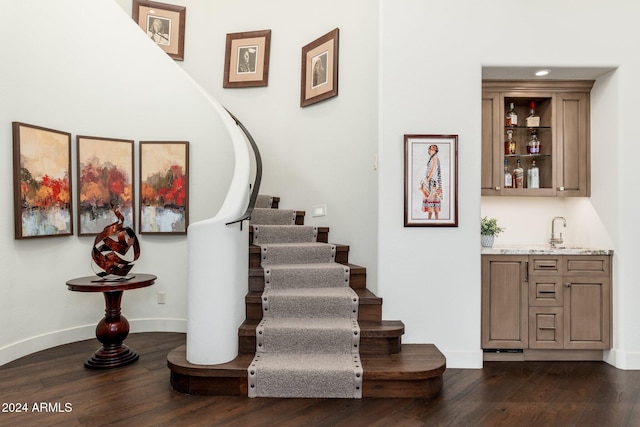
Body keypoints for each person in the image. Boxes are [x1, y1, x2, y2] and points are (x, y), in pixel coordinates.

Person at [418, 144, 443, 219]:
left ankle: (433, 221)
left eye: (432, 150)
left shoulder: (435, 158)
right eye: (430, 149)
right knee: (432, 202)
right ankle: (431, 221)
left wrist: (426, 180)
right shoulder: (433, 158)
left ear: (435, 151)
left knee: (432, 201)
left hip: (433, 183)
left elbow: (432, 171)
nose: (430, 151)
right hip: (432, 183)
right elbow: (429, 171)